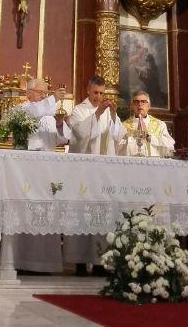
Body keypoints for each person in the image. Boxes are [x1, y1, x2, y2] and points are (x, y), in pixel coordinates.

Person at [9, 78, 69, 274]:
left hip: (48, 168)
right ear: (28, 93)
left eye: (46, 92)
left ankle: (45, 262)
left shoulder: (49, 114)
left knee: (47, 211)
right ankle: (22, 260)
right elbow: (35, 113)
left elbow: (62, 139)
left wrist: (59, 124)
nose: (44, 96)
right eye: (40, 92)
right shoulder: (22, 109)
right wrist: (53, 99)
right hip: (28, 169)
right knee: (27, 210)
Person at [65, 75, 123, 274]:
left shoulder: (108, 111)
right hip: (83, 172)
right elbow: (80, 135)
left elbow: (119, 136)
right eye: (95, 92)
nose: (99, 96)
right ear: (88, 91)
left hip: (104, 172)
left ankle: (100, 262)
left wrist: (113, 115)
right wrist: (97, 113)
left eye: (101, 93)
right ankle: (80, 262)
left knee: (102, 213)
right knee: (82, 213)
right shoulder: (79, 110)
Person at [117, 91, 175, 157]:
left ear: (148, 106)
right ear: (132, 106)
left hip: (154, 161)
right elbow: (118, 147)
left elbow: (170, 144)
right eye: (136, 102)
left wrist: (149, 137)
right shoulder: (124, 125)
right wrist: (135, 135)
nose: (139, 104)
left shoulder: (160, 125)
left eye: (143, 102)